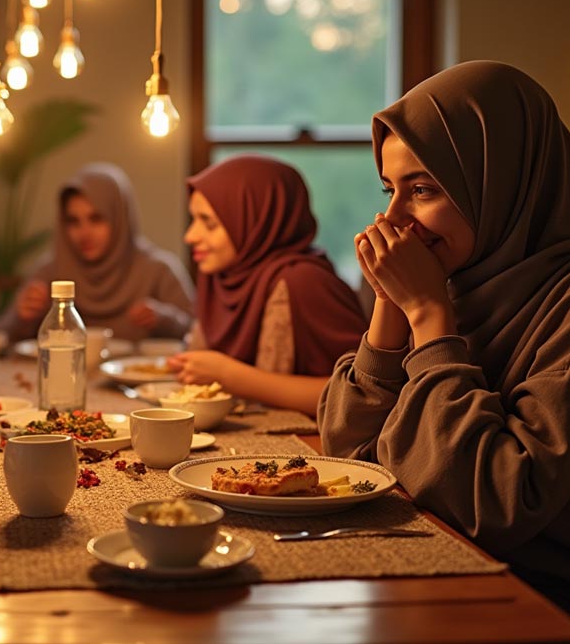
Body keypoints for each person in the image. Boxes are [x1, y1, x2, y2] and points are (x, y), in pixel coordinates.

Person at [317, 61, 570, 608]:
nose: (394, 219)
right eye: (388, 190)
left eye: (423, 189)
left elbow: (498, 502)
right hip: (440, 573)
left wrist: (429, 314)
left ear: (499, 182)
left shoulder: (559, 305)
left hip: (534, 600)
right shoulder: (458, 284)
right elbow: (351, 458)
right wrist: (390, 303)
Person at [168, 155, 366, 417]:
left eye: (209, 223)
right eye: (193, 219)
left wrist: (229, 375)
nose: (190, 236)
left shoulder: (304, 281)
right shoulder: (222, 273)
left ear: (256, 221)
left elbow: (361, 395)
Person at [0, 162, 194, 343]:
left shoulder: (157, 269)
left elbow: (197, 332)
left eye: (96, 218)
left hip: (139, 382)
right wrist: (23, 317)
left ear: (119, 219)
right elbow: (1, 337)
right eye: (74, 221)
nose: (84, 234)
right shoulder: (52, 270)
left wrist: (163, 320)